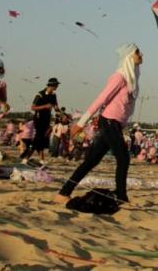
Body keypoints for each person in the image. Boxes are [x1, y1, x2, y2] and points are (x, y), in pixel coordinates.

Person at [54, 43, 142, 204]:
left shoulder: (132, 79)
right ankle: (121, 195)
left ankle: (64, 192)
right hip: (108, 121)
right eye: (137, 52)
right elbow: (101, 99)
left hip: (115, 124)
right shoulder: (119, 77)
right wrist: (81, 123)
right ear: (129, 56)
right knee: (123, 158)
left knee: (91, 160)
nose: (141, 55)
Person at [23, 78, 60, 162]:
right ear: (51, 85)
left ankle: (39, 158)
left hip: (47, 119)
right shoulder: (40, 94)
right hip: (38, 118)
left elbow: (56, 107)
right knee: (38, 138)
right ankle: (27, 157)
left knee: (43, 138)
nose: (57, 87)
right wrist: (45, 106)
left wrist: (62, 115)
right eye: (56, 85)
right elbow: (33, 107)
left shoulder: (54, 95)